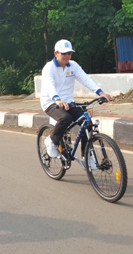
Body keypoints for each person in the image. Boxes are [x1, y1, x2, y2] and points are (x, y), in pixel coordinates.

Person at [40, 39, 113, 168]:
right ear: (56, 53)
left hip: (68, 102)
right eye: (64, 53)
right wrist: (57, 99)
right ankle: (51, 140)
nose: (67, 56)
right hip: (50, 102)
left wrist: (100, 92)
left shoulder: (73, 66)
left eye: (69, 53)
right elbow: (50, 85)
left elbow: (85, 79)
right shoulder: (49, 68)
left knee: (87, 123)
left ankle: (87, 157)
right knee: (65, 118)